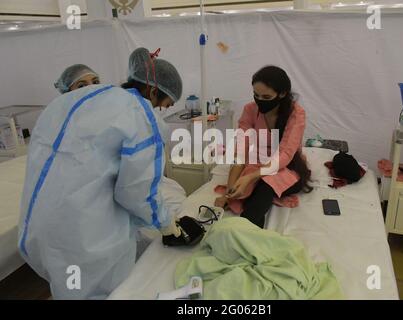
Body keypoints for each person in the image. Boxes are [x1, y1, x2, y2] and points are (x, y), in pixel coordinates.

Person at [18, 48, 192, 300]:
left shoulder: (72, 102)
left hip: (36, 226)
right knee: (99, 292)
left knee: (67, 289)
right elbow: (137, 192)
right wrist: (165, 223)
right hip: (83, 234)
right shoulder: (140, 114)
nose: (160, 110)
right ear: (153, 91)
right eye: (164, 105)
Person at [215, 66, 312, 228]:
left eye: (266, 96)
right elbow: (241, 149)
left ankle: (243, 229)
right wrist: (228, 193)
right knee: (247, 188)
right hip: (257, 163)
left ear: (282, 94)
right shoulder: (250, 110)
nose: (259, 100)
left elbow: (286, 154)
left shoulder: (295, 114)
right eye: (256, 95)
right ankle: (248, 232)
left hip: (287, 167)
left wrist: (250, 177)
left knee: (266, 184)